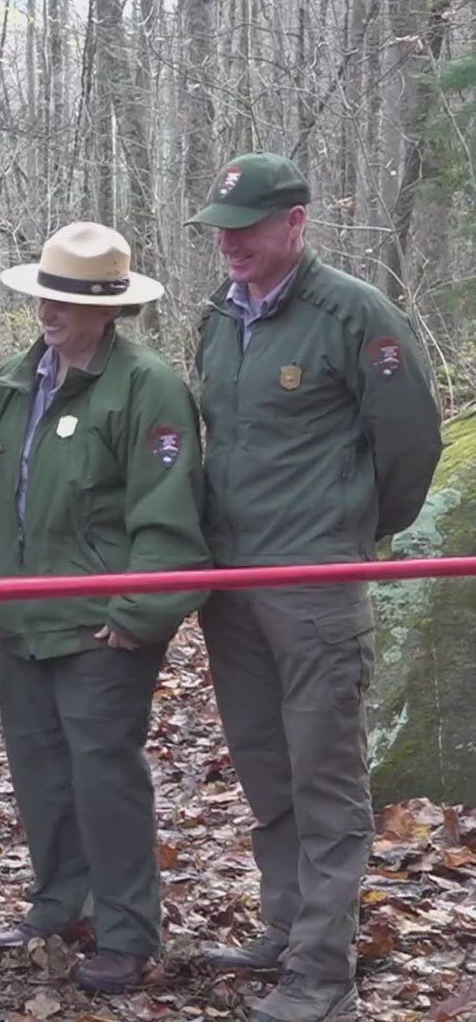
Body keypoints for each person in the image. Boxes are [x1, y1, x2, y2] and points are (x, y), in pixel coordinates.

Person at [185, 154, 442, 1022]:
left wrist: (351, 538)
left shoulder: (353, 314)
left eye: (248, 228)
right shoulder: (219, 318)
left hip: (317, 583)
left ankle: (324, 972)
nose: (231, 245)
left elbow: (410, 444)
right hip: (234, 581)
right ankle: (286, 926)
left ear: (295, 224)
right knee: (265, 767)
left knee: (325, 775)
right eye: (222, 229)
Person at [0, 222, 208, 993]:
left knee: (104, 778)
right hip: (19, 615)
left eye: (66, 301)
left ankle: (128, 933)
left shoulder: (147, 386)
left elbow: (170, 516)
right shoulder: (10, 385)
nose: (48, 313)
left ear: (108, 309)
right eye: (42, 297)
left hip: (101, 625)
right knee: (39, 773)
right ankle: (60, 904)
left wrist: (137, 616)